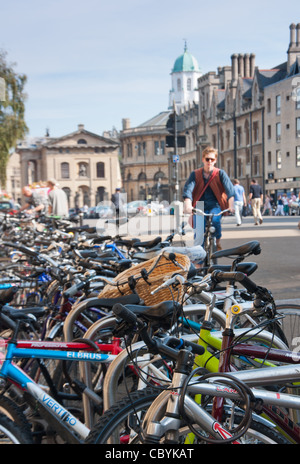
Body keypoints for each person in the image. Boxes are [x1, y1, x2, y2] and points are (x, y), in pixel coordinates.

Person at [183, 146, 235, 251]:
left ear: (215, 160)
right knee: (199, 233)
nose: (209, 161)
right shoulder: (195, 174)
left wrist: (231, 206)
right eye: (207, 159)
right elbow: (188, 191)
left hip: (215, 204)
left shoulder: (220, 173)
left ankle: (218, 239)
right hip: (199, 205)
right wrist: (188, 205)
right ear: (203, 159)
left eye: (212, 159)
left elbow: (230, 191)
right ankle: (199, 261)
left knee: (215, 220)